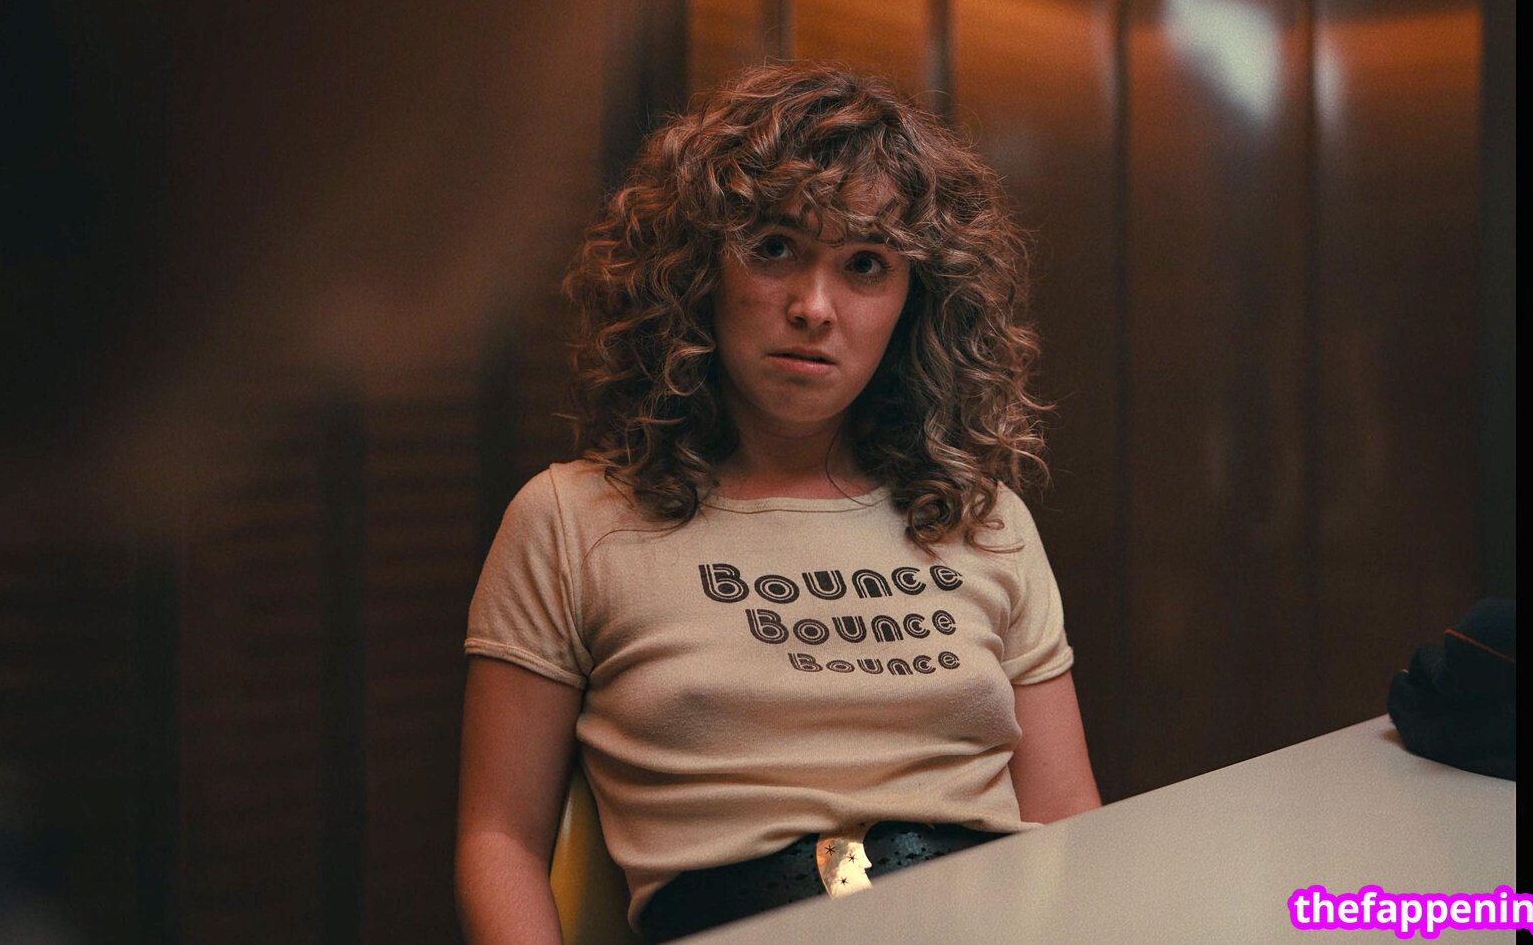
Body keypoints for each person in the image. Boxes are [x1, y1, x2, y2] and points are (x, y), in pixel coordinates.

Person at [455, 61, 1101, 944]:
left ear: (914, 302)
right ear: (697, 267)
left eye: (865, 264)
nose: (814, 306)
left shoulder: (983, 518)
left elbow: (1068, 825)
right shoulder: (570, 520)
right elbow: (499, 841)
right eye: (772, 247)